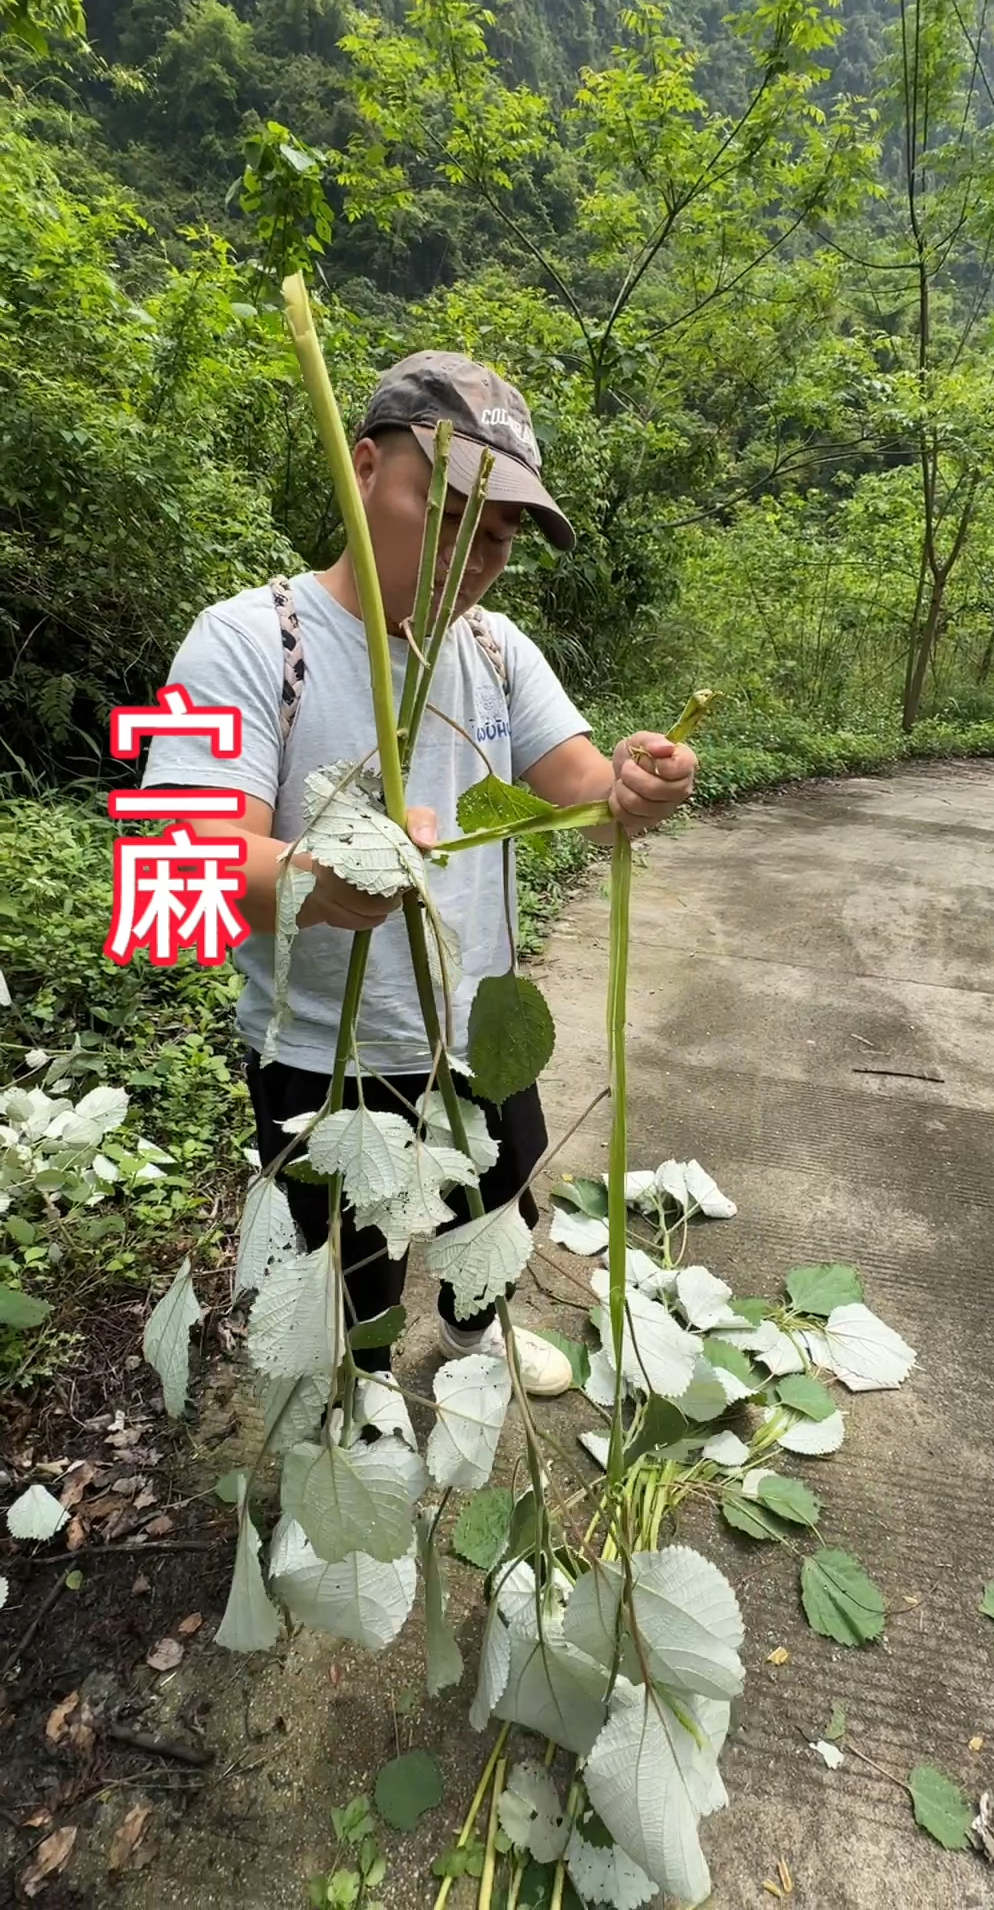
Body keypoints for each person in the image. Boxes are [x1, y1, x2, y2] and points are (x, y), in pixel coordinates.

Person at [140, 350, 697, 1401]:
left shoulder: (495, 652)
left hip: (474, 1034)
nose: (474, 557)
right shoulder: (254, 641)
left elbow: (585, 788)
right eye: (446, 510)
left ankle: (469, 1339)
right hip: (321, 1055)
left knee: (502, 1197)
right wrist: (312, 873)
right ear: (363, 468)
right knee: (347, 1258)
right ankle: (360, 1394)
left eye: (497, 536)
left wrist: (636, 784)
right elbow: (193, 841)